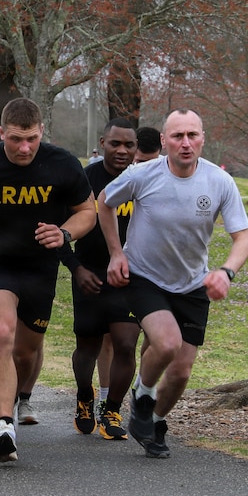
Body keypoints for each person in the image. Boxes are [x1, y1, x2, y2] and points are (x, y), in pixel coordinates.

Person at [0, 97, 96, 462]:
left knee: (25, 353)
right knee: (2, 332)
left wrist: (65, 234)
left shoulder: (62, 164)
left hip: (40, 266)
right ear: (0, 134)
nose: (24, 148)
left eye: (31, 139)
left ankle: (7, 402)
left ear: (42, 131)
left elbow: (87, 210)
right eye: (15, 139)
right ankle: (4, 425)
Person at [101, 109, 248, 459]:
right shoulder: (142, 174)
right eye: (178, 136)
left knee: (182, 372)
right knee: (166, 344)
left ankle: (154, 421)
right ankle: (142, 393)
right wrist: (115, 254)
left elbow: (242, 237)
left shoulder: (219, 181)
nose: (186, 143)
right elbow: (104, 204)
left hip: (192, 281)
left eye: (192, 136)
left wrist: (225, 272)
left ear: (203, 138)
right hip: (143, 276)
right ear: (165, 141)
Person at [63, 118, 139, 439]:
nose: (122, 151)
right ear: (102, 143)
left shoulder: (144, 180)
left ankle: (112, 411)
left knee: (125, 343)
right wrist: (75, 268)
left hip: (130, 274)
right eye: (115, 143)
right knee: (89, 346)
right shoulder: (84, 179)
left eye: (129, 145)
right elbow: (60, 230)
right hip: (90, 272)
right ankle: (84, 395)